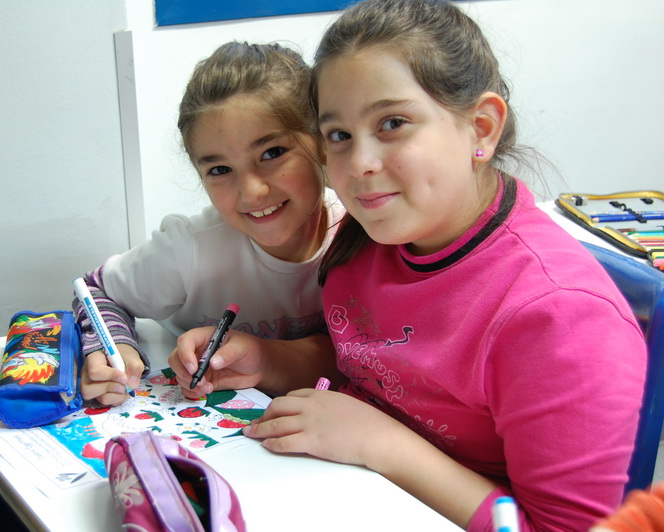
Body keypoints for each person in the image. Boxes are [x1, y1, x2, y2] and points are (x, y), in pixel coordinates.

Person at [171, 1, 648, 530]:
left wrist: (383, 444)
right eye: (339, 136)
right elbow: (371, 363)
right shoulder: (369, 238)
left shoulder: (561, 317)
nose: (360, 164)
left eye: (392, 124)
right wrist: (269, 360)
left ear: (481, 128)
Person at [73, 41, 345, 406]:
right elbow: (96, 290)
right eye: (220, 170)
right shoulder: (191, 248)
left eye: (272, 153)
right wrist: (116, 347)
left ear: (323, 142)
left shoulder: (362, 234)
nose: (252, 192)